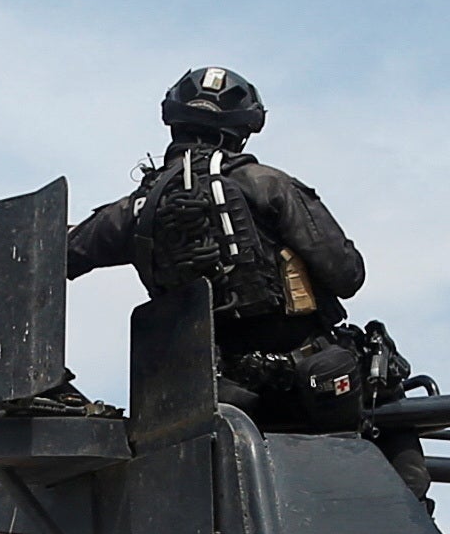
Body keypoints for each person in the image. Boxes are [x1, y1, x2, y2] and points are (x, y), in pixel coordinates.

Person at [66, 67, 415, 482]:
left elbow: (56, 256)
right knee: (395, 417)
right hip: (310, 390)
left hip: (217, 399)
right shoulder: (268, 185)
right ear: (244, 129)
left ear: (173, 122)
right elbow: (348, 276)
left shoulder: (135, 210)